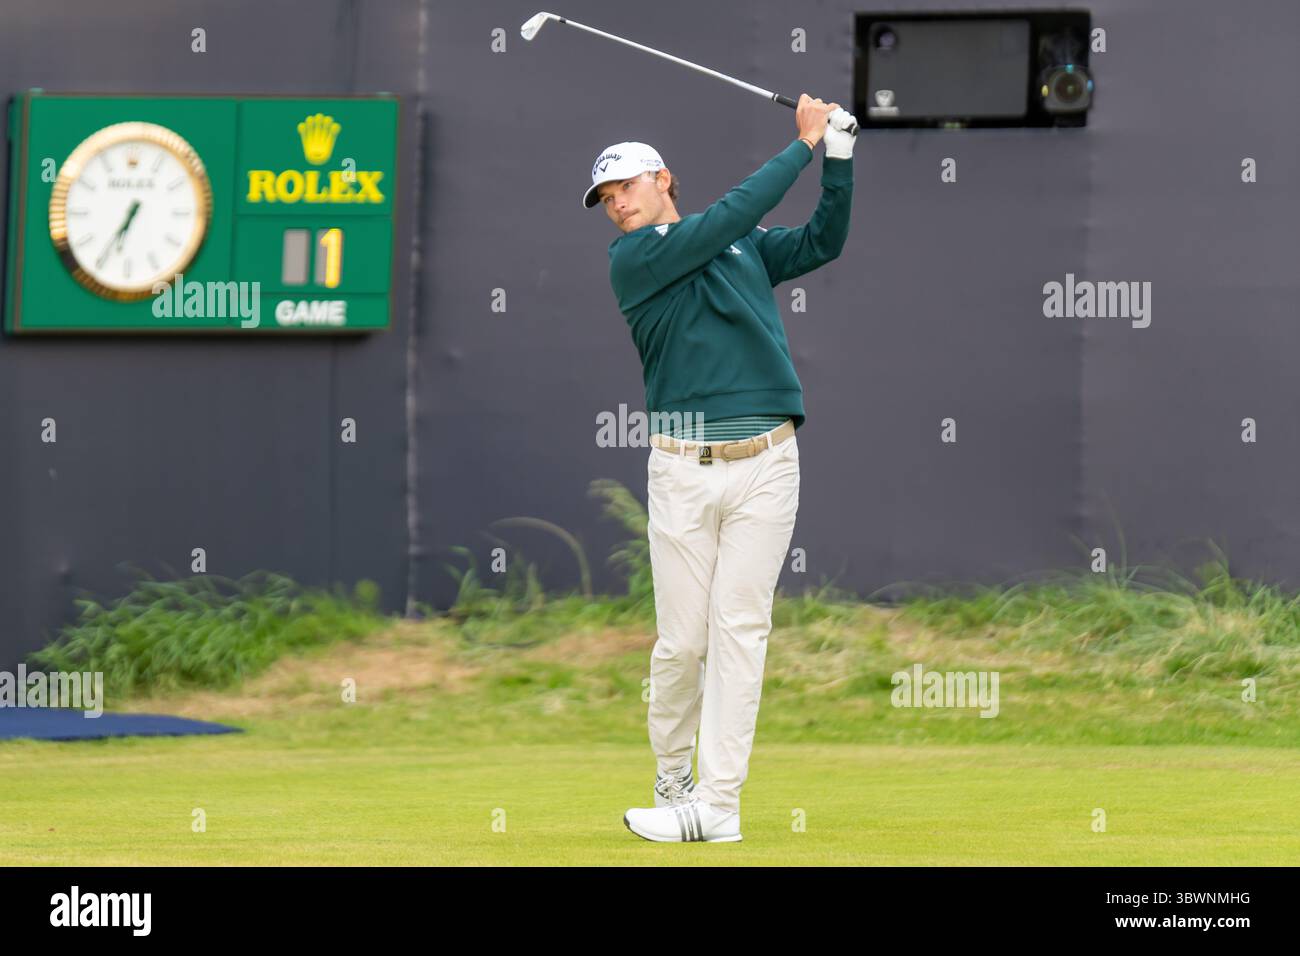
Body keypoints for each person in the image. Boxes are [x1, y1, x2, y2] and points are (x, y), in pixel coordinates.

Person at [585, 95, 857, 842]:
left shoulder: (739, 249)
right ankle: (673, 773)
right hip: (682, 469)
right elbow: (732, 215)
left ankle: (718, 807)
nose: (617, 205)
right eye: (606, 199)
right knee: (684, 643)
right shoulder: (634, 261)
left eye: (627, 188)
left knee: (741, 630)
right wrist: (802, 145)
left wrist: (837, 158)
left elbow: (822, 241)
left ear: (664, 179)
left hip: (768, 462)